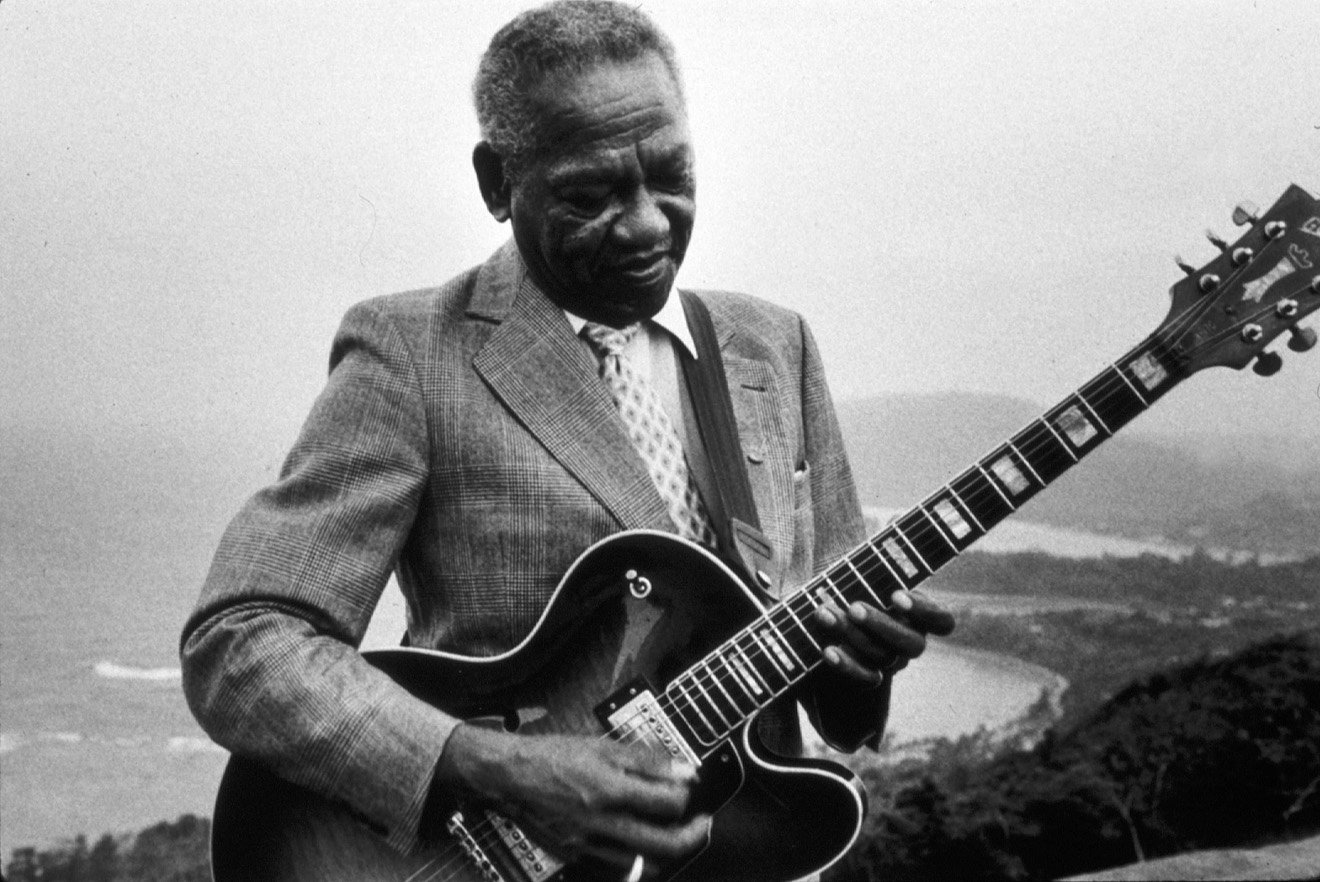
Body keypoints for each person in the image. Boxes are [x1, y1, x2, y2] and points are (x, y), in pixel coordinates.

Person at [180, 0, 955, 874]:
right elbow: (241, 642)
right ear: (497, 182)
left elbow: (834, 698)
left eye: (671, 175)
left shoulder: (776, 349)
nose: (649, 225)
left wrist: (859, 666)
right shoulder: (412, 354)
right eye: (591, 194)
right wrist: (501, 771)